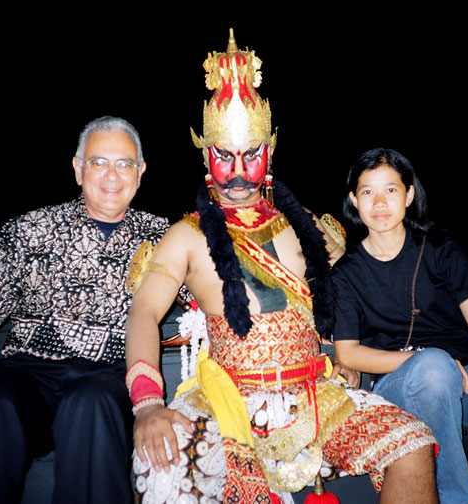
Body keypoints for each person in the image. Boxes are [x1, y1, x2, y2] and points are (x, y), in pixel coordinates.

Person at [125, 30, 439, 504]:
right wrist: (148, 404)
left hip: (317, 393)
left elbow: (344, 291)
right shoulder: (187, 235)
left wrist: (335, 348)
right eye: (223, 155)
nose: (235, 170)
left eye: (250, 155)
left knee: (411, 443)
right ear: (204, 154)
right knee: (166, 465)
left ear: (269, 152)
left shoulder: (305, 226)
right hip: (226, 399)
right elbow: (144, 312)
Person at [0, 116, 170, 504]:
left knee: (89, 404)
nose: (111, 176)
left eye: (124, 164)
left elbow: (211, 291)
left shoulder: (163, 237)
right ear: (77, 168)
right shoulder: (27, 230)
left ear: (140, 172)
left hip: (107, 378)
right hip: (28, 373)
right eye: (98, 162)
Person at [332, 148, 468, 503]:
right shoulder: (346, 273)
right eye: (368, 192)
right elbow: (348, 352)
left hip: (462, 383)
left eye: (391, 190)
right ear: (354, 200)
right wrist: (426, 359)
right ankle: (454, 498)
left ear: (409, 194)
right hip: (397, 392)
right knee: (432, 366)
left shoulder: (440, 248)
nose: (379, 202)